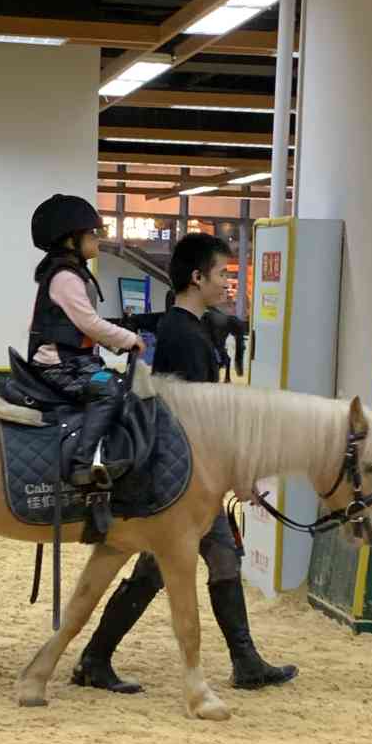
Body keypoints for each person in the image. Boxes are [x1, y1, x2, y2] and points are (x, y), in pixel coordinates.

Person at [71, 232, 299, 693]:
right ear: (197, 278)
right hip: (180, 479)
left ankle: (246, 660)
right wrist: (238, 474)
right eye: (221, 274)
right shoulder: (187, 335)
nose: (227, 283)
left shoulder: (191, 329)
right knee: (155, 569)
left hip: (189, 474)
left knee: (221, 558)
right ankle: (94, 658)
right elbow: (201, 420)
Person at [28, 194, 145, 487]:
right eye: (91, 234)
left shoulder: (71, 272)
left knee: (113, 382)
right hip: (59, 365)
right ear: (71, 240)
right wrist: (130, 340)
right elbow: (89, 323)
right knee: (107, 388)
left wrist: (117, 341)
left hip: (74, 361)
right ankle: (82, 464)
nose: (97, 239)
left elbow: (84, 327)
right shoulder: (65, 277)